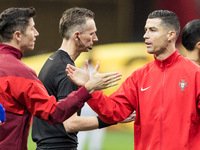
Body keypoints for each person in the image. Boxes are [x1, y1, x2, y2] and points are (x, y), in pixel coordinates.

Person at [66, 10, 200, 150]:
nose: (145, 35)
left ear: (170, 35)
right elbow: (113, 111)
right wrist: (89, 88)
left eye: (152, 30)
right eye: (145, 30)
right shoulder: (139, 77)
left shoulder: (195, 74)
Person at [0, 7, 122, 150]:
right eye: (32, 29)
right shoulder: (27, 73)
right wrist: (89, 89)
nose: (36, 33)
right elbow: (60, 117)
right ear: (18, 35)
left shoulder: (51, 62)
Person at [31, 7, 134, 150]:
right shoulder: (66, 70)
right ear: (77, 35)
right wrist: (112, 120)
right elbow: (70, 124)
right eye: (92, 34)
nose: (95, 38)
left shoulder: (54, 61)